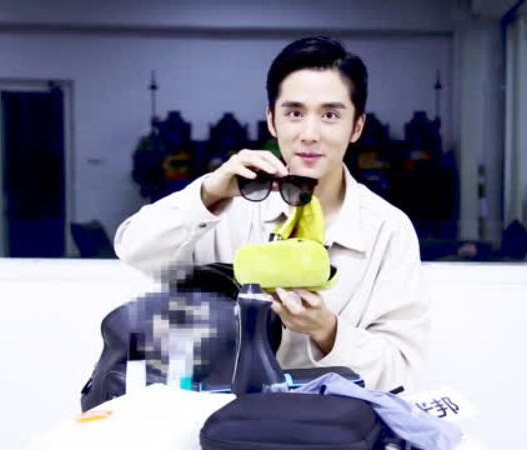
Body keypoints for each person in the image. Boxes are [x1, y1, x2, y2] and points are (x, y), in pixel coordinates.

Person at [114, 36, 429, 391]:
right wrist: (209, 193)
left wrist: (327, 331)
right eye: (295, 113)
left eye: (330, 115)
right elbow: (133, 249)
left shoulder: (387, 230)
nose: (309, 134)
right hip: (224, 417)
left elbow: (402, 372)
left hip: (330, 421)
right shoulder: (232, 206)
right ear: (272, 120)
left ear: (356, 126)